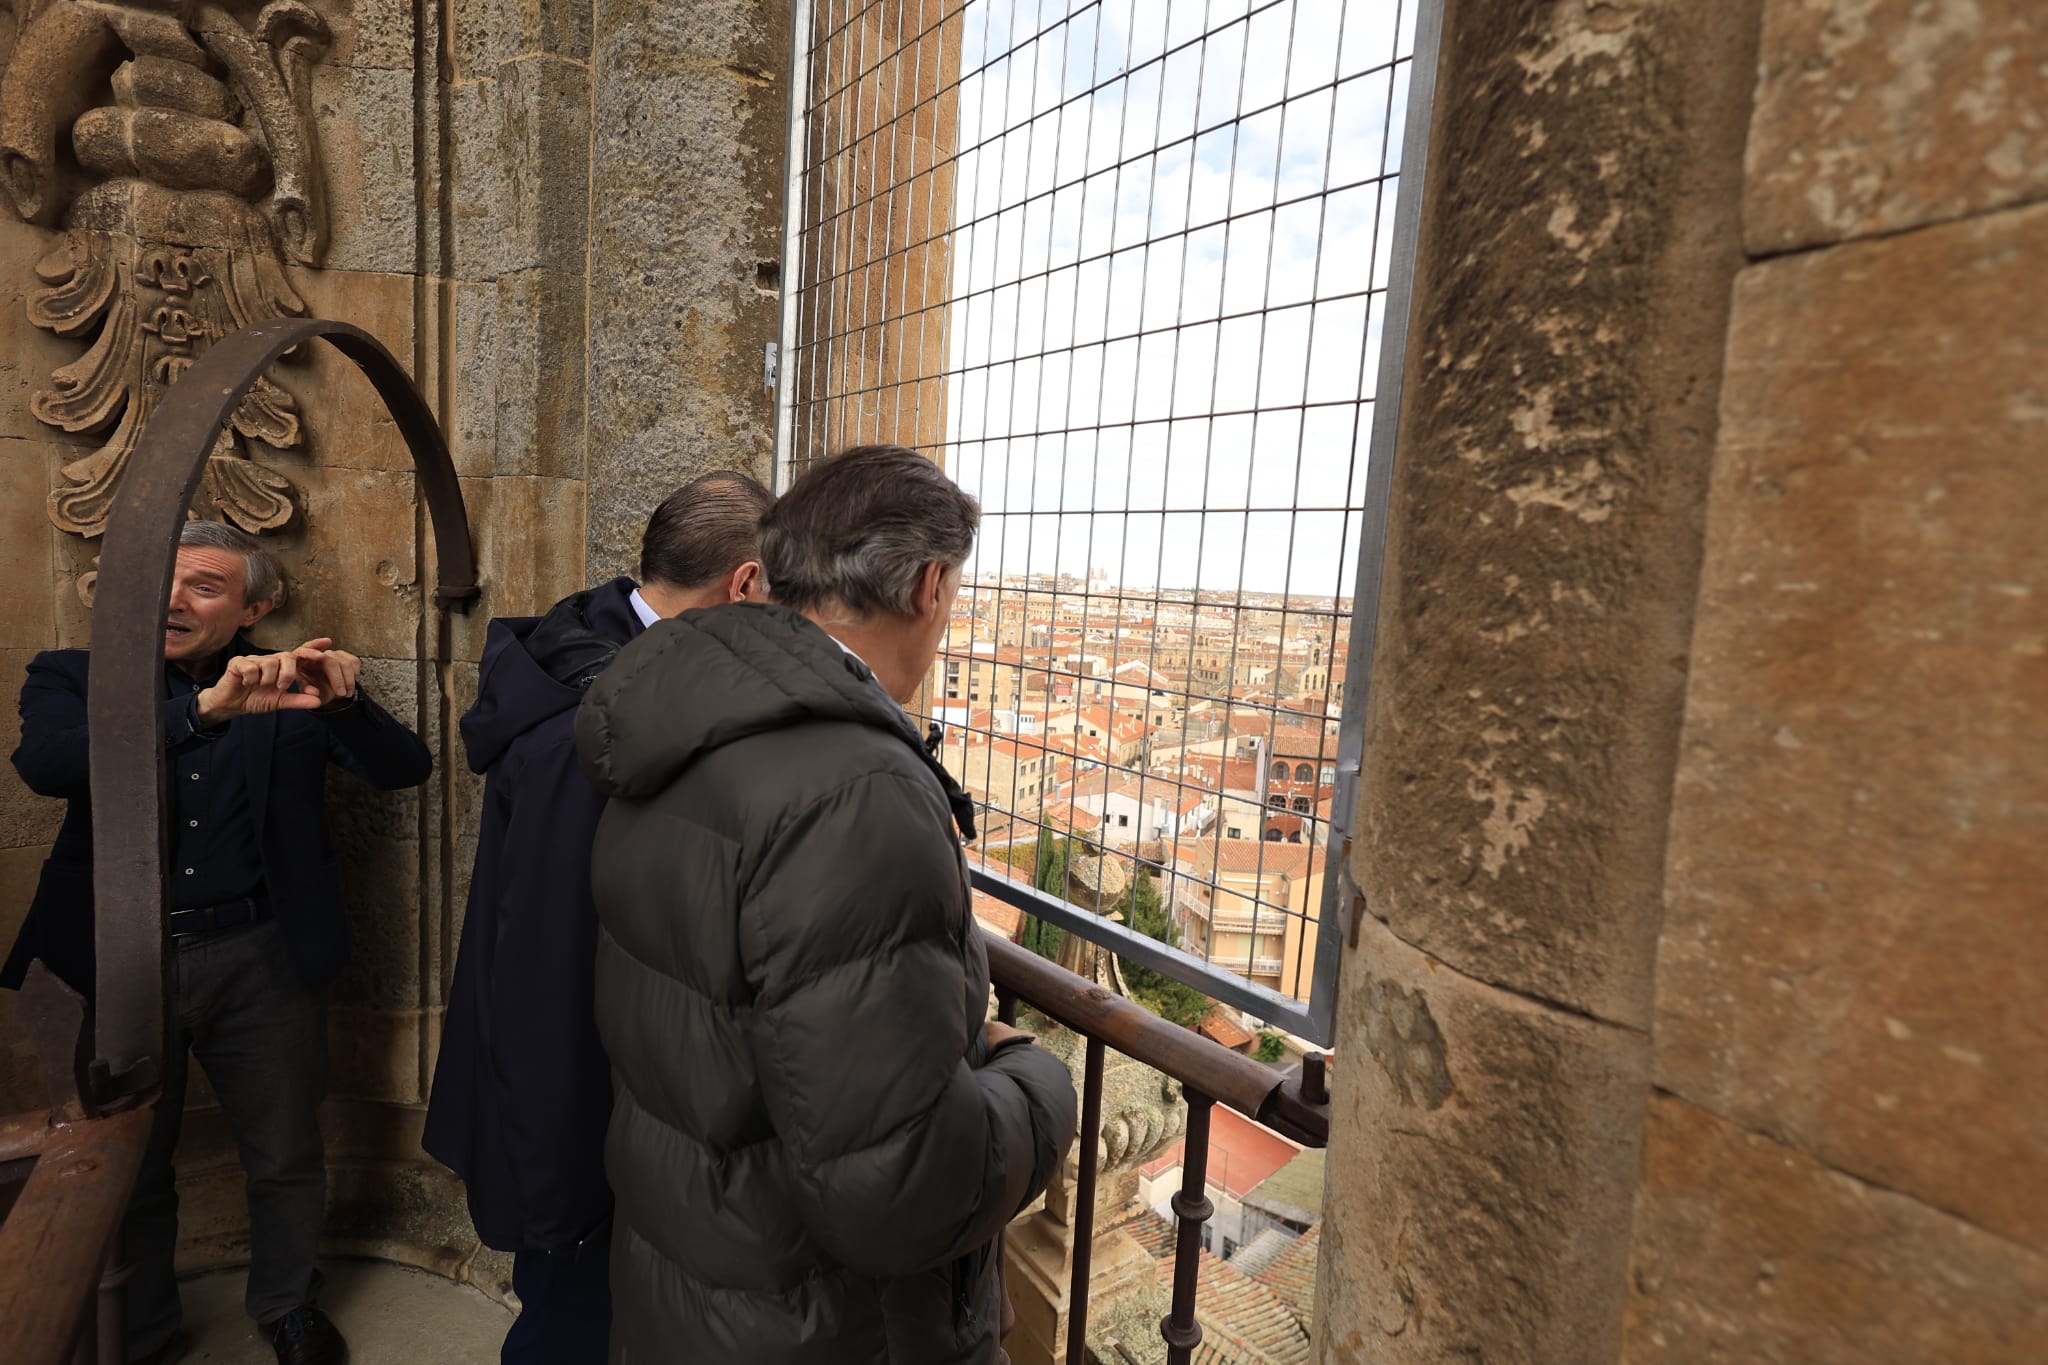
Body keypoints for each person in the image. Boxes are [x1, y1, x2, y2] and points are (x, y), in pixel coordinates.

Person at [574, 444, 1078, 1364]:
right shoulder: (857, 792)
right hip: (823, 1324)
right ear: (929, 585)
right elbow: (904, 1191)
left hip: (692, 1283)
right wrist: (1035, 1082)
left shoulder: (682, 716)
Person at [1, 520, 434, 1365]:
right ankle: (145, 1327)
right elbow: (49, 764)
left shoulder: (292, 681)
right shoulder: (71, 674)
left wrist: (346, 699)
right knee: (126, 1163)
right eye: (163, 579)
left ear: (254, 607)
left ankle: (287, 1306)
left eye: (203, 585)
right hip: (112, 961)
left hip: (260, 957)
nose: (172, 599)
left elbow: (403, 768)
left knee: (284, 1151)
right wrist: (201, 711)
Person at [423, 470, 774, 1364]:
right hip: (577, 1134)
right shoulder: (599, 722)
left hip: (570, 1111)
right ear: (743, 584)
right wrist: (567, 1188)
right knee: (573, 1333)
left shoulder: (587, 646)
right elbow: (549, 964)